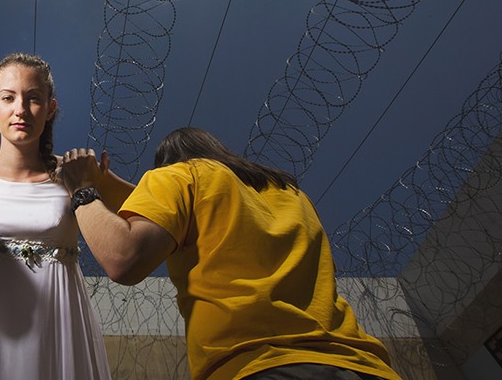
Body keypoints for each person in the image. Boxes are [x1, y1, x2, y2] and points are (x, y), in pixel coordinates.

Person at [59, 127, 403, 380]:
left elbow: (124, 258)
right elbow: (179, 209)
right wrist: (106, 182)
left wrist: (83, 190)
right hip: (365, 367)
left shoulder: (178, 177)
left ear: (166, 164)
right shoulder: (288, 194)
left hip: (261, 367)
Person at [0, 52, 112, 380]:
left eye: (34, 98)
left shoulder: (73, 174)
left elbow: (143, 205)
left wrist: (97, 182)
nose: (20, 110)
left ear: (50, 107)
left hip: (61, 332)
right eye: (8, 98)